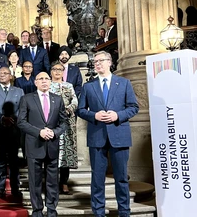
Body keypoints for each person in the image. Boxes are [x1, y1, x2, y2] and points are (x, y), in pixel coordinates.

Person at [76, 51, 139, 217]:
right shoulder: (88, 86)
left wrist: (118, 115)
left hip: (119, 135)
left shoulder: (124, 83)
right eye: (95, 61)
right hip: (97, 136)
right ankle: (98, 212)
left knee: (121, 178)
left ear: (109, 62)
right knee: (97, 179)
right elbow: (81, 110)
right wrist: (94, 115)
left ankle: (124, 212)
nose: (97, 64)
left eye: (100, 61)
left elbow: (133, 107)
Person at [17, 72, 67, 217]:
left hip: (52, 146)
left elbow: (64, 122)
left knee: (52, 181)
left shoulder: (57, 99)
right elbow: (21, 122)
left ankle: (51, 210)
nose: (44, 81)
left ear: (50, 82)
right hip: (34, 146)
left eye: (47, 79)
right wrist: (39, 132)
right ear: (35, 82)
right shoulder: (26, 99)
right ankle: (37, 210)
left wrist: (55, 132)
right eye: (41, 79)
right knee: (35, 181)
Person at [0, 67, 24, 199]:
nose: (2, 75)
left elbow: (22, 109)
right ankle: (1, 187)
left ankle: (15, 188)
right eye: (0, 74)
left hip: (14, 130)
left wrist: (13, 119)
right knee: (0, 160)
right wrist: (2, 118)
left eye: (5, 73)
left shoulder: (19, 91)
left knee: (14, 161)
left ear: (11, 76)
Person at [49, 61, 78, 194]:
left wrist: (69, 109)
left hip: (67, 122)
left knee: (66, 153)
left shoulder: (68, 85)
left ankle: (64, 182)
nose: (57, 72)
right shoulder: (47, 85)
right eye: (55, 69)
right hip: (52, 122)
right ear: (51, 71)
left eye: (60, 69)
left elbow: (75, 100)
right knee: (52, 153)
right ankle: (52, 183)